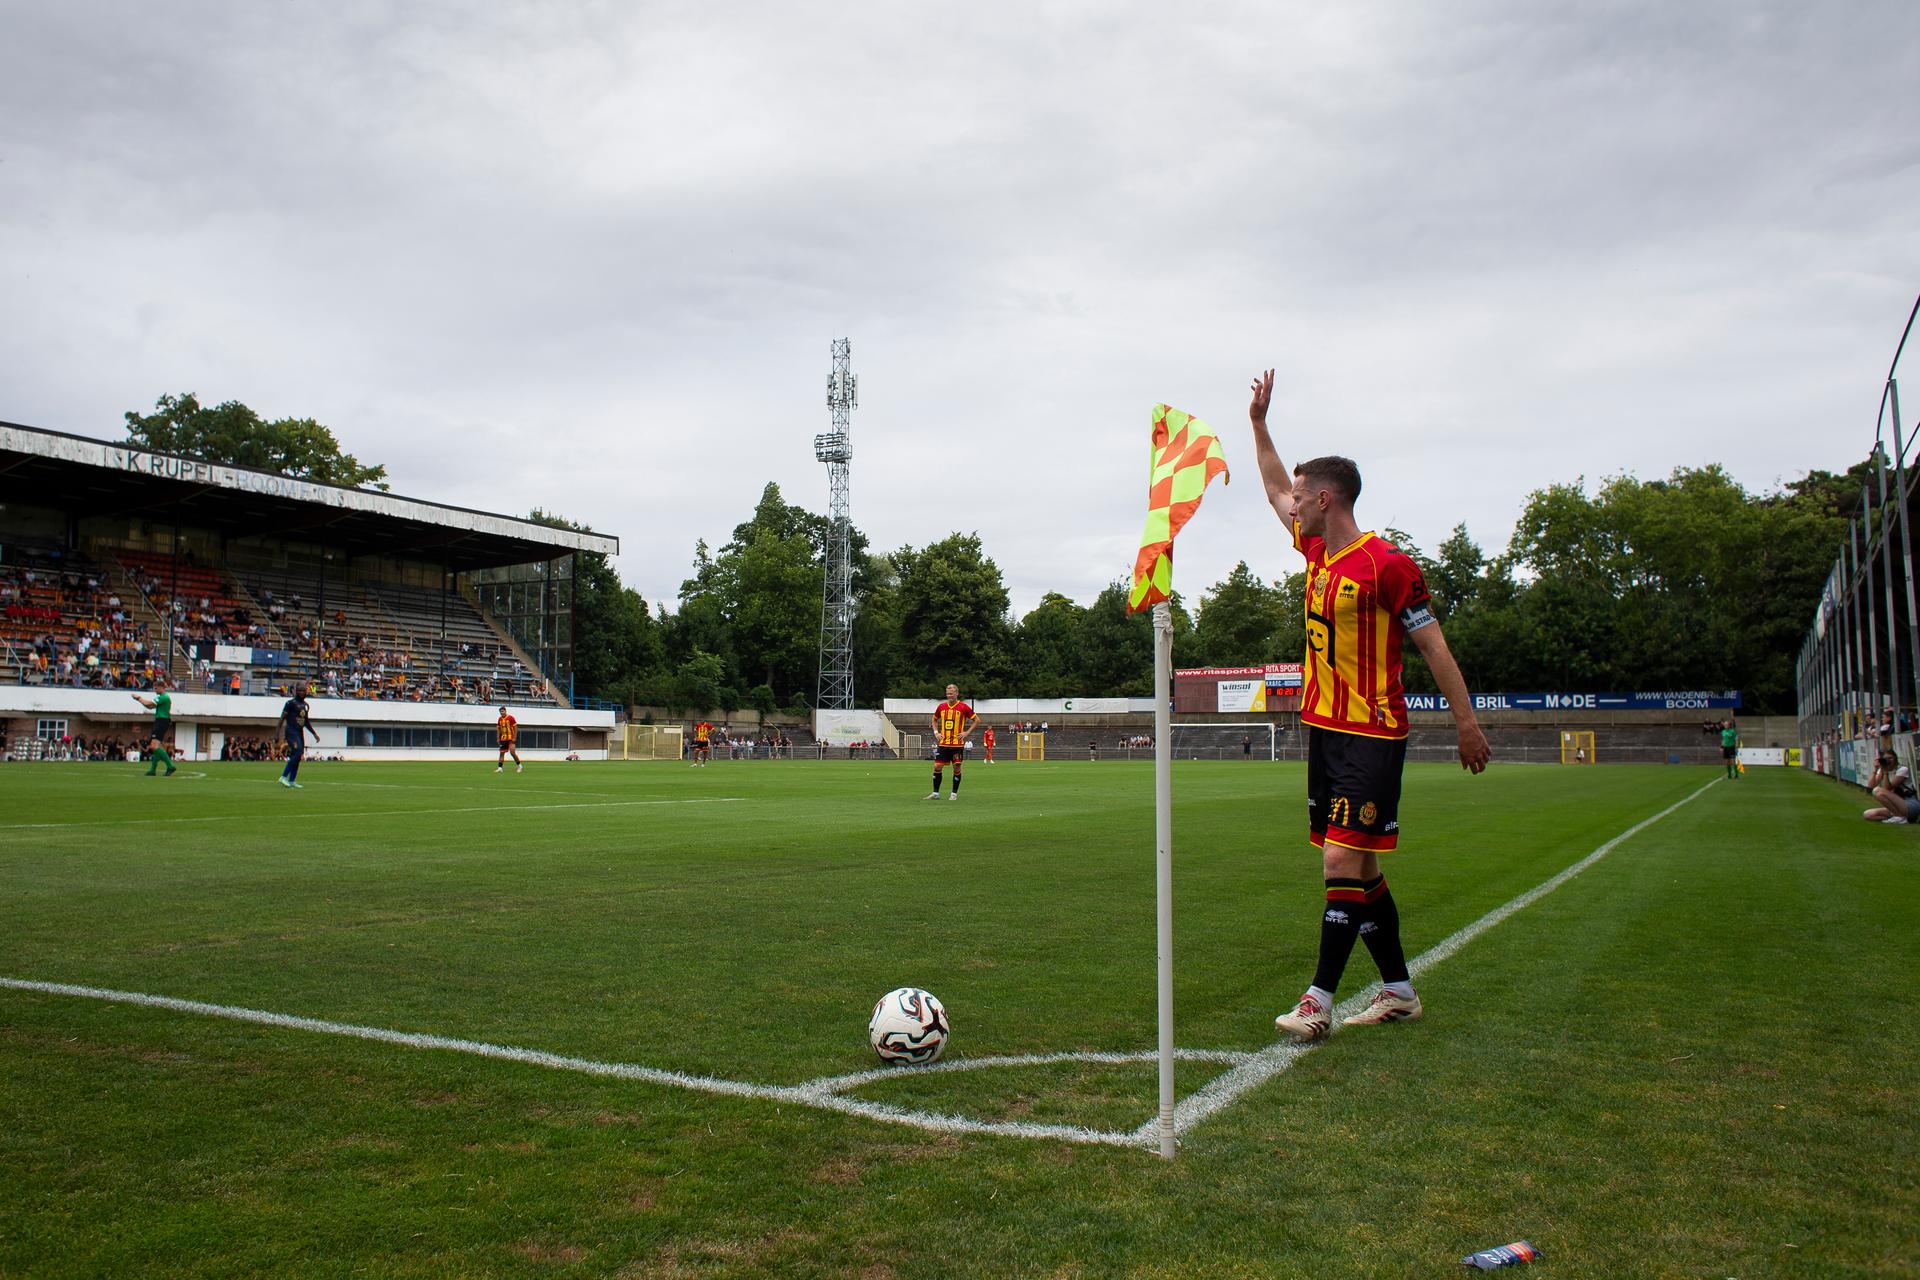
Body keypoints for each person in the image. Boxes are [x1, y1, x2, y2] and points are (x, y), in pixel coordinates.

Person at [1247, 367, 1491, 1041]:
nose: (1291, 506)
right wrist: (1260, 425)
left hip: (1374, 734)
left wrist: (1466, 724)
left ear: (1327, 499)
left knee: (1338, 863)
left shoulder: (1388, 567)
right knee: (1364, 866)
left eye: (1301, 497)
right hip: (1324, 734)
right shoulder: (1317, 552)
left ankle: (1318, 1000)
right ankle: (1400, 991)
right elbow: (1270, 485)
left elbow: (1436, 651)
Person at [926, 684, 975, 800]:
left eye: (952, 693)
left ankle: (954, 794)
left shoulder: (963, 707)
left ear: (957, 694)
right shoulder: (941, 707)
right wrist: (936, 732)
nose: (949, 696)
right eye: (948, 693)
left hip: (957, 744)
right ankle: (935, 793)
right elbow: (934, 719)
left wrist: (966, 733)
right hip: (943, 743)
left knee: (957, 767)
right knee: (937, 766)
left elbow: (977, 720)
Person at [277, 683, 320, 788]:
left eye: (303, 691)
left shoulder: (306, 705)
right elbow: (282, 718)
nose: (302, 692)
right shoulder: (290, 703)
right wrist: (277, 733)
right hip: (291, 731)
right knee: (296, 753)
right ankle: (283, 777)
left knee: (298, 756)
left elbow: (306, 721)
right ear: (296, 691)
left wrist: (314, 733)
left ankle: (292, 781)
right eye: (300, 690)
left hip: (299, 732)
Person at [130, 681, 176, 777]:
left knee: (154, 746)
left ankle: (170, 765)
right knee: (154, 747)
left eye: (156, 688)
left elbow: (149, 705)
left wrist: (138, 698)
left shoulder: (163, 697)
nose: (155, 690)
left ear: (161, 687)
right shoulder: (164, 697)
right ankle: (152, 770)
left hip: (161, 721)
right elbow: (150, 706)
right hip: (161, 721)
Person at [1862, 749, 1919, 824]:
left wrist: (1885, 772)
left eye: (1890, 758)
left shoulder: (1902, 770)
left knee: (1877, 791)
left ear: (1895, 759)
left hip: (1909, 804)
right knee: (1868, 814)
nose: (1888, 761)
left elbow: (1887, 789)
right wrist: (1876, 769)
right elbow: (1871, 786)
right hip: (1896, 807)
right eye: (1886, 759)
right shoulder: (1882, 770)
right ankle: (1899, 817)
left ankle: (1900, 817)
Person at [496, 705, 522, 774]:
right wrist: (498, 738)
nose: (502, 712)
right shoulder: (500, 719)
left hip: (511, 738)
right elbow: (498, 728)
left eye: (503, 711)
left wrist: (515, 737)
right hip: (503, 738)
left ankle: (519, 766)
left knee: (512, 752)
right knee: (501, 753)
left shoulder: (510, 718)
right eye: (500, 711)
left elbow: (515, 727)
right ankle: (500, 768)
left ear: (505, 711)